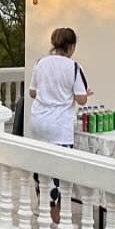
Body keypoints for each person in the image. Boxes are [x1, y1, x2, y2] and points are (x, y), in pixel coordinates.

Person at [28, 26, 90, 218]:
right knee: (59, 173)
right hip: (59, 126)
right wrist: (81, 94)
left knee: (41, 168)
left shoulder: (40, 63)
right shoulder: (73, 67)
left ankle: (42, 208)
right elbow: (81, 99)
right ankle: (55, 219)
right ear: (71, 47)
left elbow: (32, 92)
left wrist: (48, 93)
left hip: (38, 122)